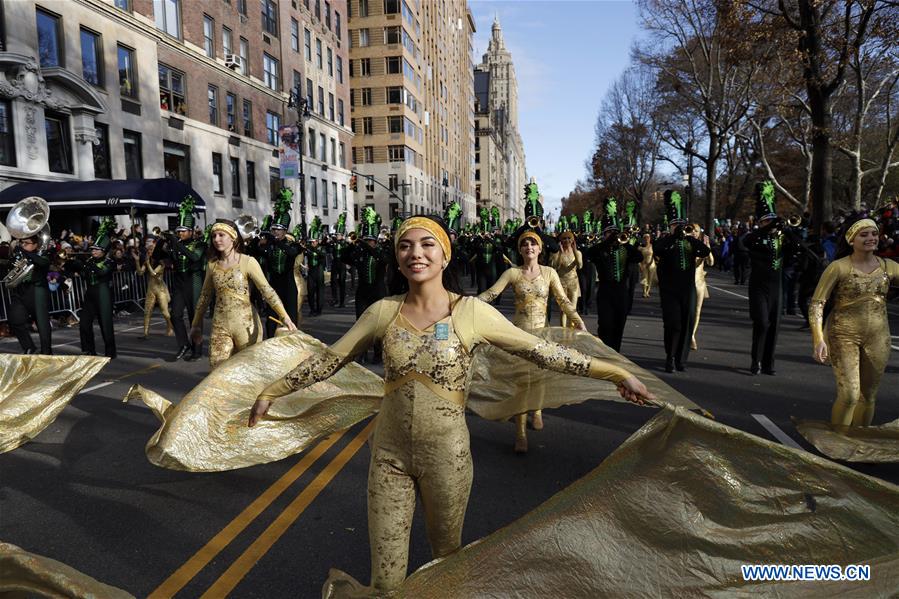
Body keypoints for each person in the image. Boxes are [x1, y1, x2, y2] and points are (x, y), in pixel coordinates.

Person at [248, 215, 654, 595]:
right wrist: (273, 390)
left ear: (445, 254)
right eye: (405, 246)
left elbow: (544, 352)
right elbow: (330, 360)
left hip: (447, 457)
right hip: (388, 457)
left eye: (427, 244)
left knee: (447, 562)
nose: (415, 253)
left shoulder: (471, 312)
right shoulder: (382, 311)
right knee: (386, 579)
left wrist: (615, 373)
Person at [477, 226, 587, 452]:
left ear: (539, 249)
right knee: (521, 382)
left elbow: (563, 301)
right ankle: (520, 434)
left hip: (542, 333)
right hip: (518, 333)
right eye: (525, 244)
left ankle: (536, 410)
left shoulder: (549, 273)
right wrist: (465, 305)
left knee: (538, 377)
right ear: (520, 250)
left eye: (533, 244)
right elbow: (490, 294)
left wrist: (577, 320)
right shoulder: (512, 273)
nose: (529, 247)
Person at [809, 216, 899, 431]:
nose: (871, 238)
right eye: (864, 234)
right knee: (849, 395)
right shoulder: (838, 267)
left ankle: (860, 443)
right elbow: (817, 304)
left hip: (878, 337)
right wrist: (818, 339)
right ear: (851, 239)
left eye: (874, 233)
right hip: (843, 335)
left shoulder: (889, 267)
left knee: (868, 396)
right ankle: (837, 444)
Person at [189, 219, 296, 368]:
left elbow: (267, 290)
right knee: (217, 370)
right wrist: (196, 324)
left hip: (246, 326)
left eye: (221, 235)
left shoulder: (248, 262)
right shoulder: (212, 265)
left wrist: (284, 316)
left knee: (247, 372)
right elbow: (205, 296)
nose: (216, 239)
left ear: (233, 237)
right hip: (220, 326)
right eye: (214, 236)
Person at [744, 181, 801, 375]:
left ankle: (768, 364)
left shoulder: (782, 237)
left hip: (776, 286)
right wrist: (766, 228)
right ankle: (756, 360)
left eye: (772, 219)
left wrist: (788, 230)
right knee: (761, 322)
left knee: (774, 326)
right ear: (760, 222)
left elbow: (796, 249)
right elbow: (745, 244)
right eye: (766, 220)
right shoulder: (755, 236)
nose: (770, 223)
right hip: (758, 286)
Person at [652, 191, 710, 373]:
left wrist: (691, 236)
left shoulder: (691, 242)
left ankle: (681, 359)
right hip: (669, 290)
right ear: (670, 226)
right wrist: (673, 236)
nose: (679, 227)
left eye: (681, 225)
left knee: (687, 323)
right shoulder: (665, 241)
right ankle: (670, 356)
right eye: (675, 225)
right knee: (673, 324)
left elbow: (704, 252)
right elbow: (658, 250)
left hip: (688, 289)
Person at [587, 199, 642, 353]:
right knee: (605, 326)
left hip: (621, 293)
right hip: (605, 293)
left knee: (618, 327)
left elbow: (639, 257)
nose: (612, 235)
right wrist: (606, 242)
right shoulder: (599, 251)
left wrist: (624, 242)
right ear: (604, 234)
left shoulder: (625, 250)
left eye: (614, 232)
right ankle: (606, 354)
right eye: (609, 232)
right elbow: (589, 254)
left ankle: (615, 354)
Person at [65, 218, 117, 358]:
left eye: (96, 249)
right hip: (90, 294)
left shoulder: (109, 261)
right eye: (93, 249)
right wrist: (75, 265)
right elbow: (84, 276)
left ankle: (110, 352)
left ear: (103, 251)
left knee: (105, 324)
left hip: (103, 293)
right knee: (84, 323)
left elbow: (102, 272)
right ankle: (88, 349)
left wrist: (88, 265)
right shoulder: (89, 261)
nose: (93, 251)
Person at [167, 196, 206, 361]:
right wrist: (164, 244)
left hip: (194, 282)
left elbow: (195, 258)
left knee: (194, 318)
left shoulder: (200, 244)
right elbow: (158, 258)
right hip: (179, 283)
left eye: (183, 231)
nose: (180, 234)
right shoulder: (176, 244)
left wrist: (178, 245)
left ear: (191, 231)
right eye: (178, 231)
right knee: (174, 315)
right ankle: (183, 344)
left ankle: (197, 349)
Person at [6, 233, 52, 354]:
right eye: (22, 243)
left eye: (26, 243)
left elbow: (42, 263)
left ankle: (46, 352)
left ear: (35, 245)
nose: (23, 245)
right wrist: (12, 261)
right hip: (21, 291)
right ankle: (29, 347)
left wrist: (23, 251)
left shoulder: (43, 254)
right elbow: (9, 268)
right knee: (15, 319)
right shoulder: (19, 256)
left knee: (42, 323)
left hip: (37, 291)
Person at [263, 191, 302, 336]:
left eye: (278, 229)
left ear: (285, 230)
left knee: (291, 320)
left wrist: (276, 242)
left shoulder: (293, 244)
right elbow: (254, 251)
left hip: (289, 287)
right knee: (270, 320)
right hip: (273, 287)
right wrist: (262, 234)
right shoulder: (269, 244)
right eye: (274, 229)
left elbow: (292, 253)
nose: (275, 232)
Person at [133, 234, 174, 339]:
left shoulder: (161, 263)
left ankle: (170, 327)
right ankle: (145, 333)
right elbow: (140, 273)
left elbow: (154, 274)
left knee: (165, 312)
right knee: (147, 312)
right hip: (150, 290)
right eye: (149, 251)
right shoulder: (147, 262)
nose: (150, 253)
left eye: (152, 251)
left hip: (160, 290)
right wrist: (137, 261)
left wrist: (148, 264)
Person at [550, 230, 582, 328]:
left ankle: (571, 331)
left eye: (569, 238)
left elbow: (580, 265)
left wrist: (575, 251)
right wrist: (560, 253)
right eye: (564, 238)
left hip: (574, 284)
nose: (567, 240)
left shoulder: (578, 253)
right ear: (560, 240)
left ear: (573, 240)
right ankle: (563, 331)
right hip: (561, 283)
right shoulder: (557, 253)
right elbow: (555, 267)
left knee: (573, 310)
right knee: (563, 310)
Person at [690, 225, 714, 350]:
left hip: (700, 283)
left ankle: (692, 335)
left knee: (697, 311)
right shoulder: (686, 244)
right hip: (687, 283)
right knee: (688, 310)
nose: (694, 232)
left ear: (700, 233)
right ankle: (687, 333)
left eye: (696, 231)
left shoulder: (703, 247)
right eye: (692, 230)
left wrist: (708, 249)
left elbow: (711, 263)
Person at [304, 216, 326, 317]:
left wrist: (314, 250)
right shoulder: (308, 248)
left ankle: (319, 309)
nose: (312, 243)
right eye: (311, 241)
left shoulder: (321, 248)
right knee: (310, 291)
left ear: (317, 241)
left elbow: (323, 256)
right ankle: (312, 309)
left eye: (314, 241)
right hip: (311, 271)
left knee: (319, 291)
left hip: (319, 271)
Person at [639, 232, 656, 298]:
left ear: (650, 239)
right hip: (644, 264)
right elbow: (638, 256)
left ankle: (648, 292)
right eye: (645, 238)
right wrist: (639, 264)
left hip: (651, 264)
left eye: (648, 237)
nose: (646, 239)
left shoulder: (652, 246)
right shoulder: (640, 247)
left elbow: (655, 255)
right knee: (644, 278)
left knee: (650, 279)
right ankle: (644, 292)